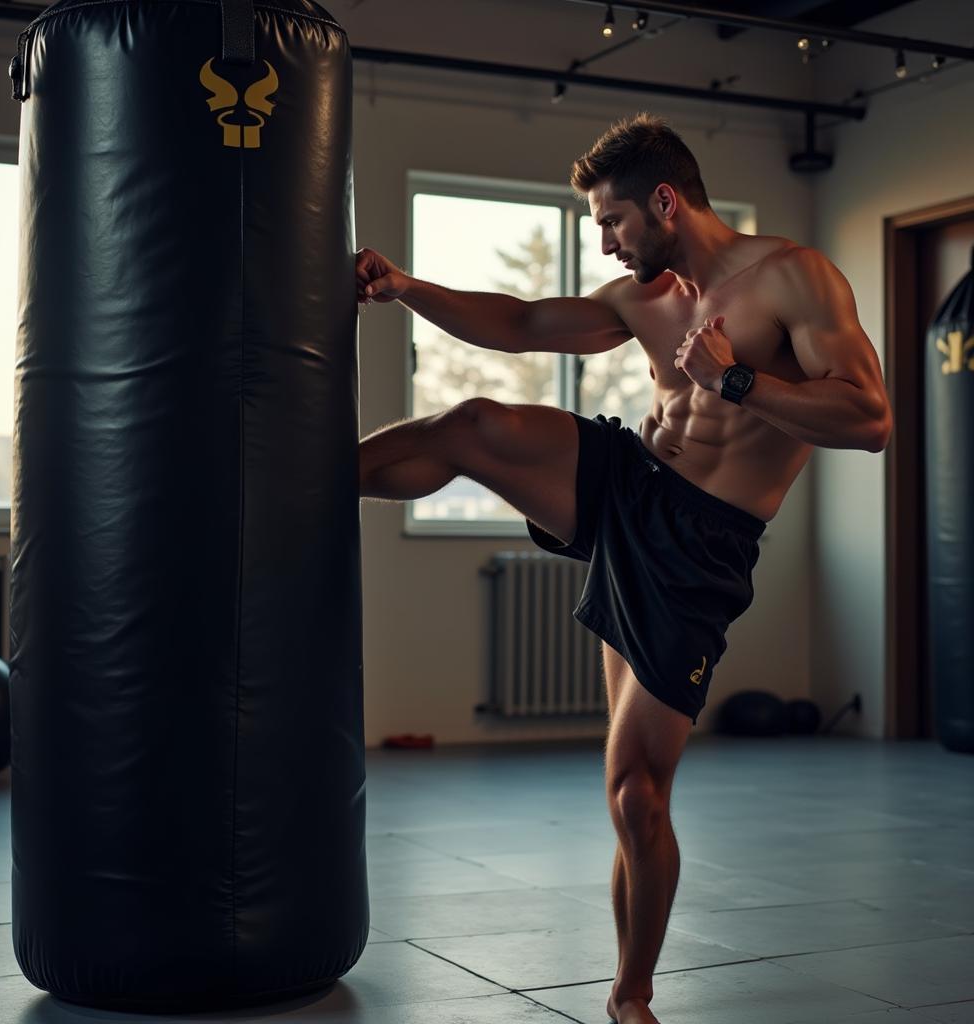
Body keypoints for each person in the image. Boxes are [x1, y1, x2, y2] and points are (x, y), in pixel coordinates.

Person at [354, 112, 893, 1024]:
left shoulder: (795, 277)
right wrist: (406, 287)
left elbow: (870, 420)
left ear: (666, 201)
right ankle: (294, 484)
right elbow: (521, 323)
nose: (603, 242)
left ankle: (629, 997)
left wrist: (737, 382)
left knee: (636, 795)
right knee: (474, 425)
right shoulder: (644, 298)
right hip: (629, 485)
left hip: (701, 547)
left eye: (611, 222)